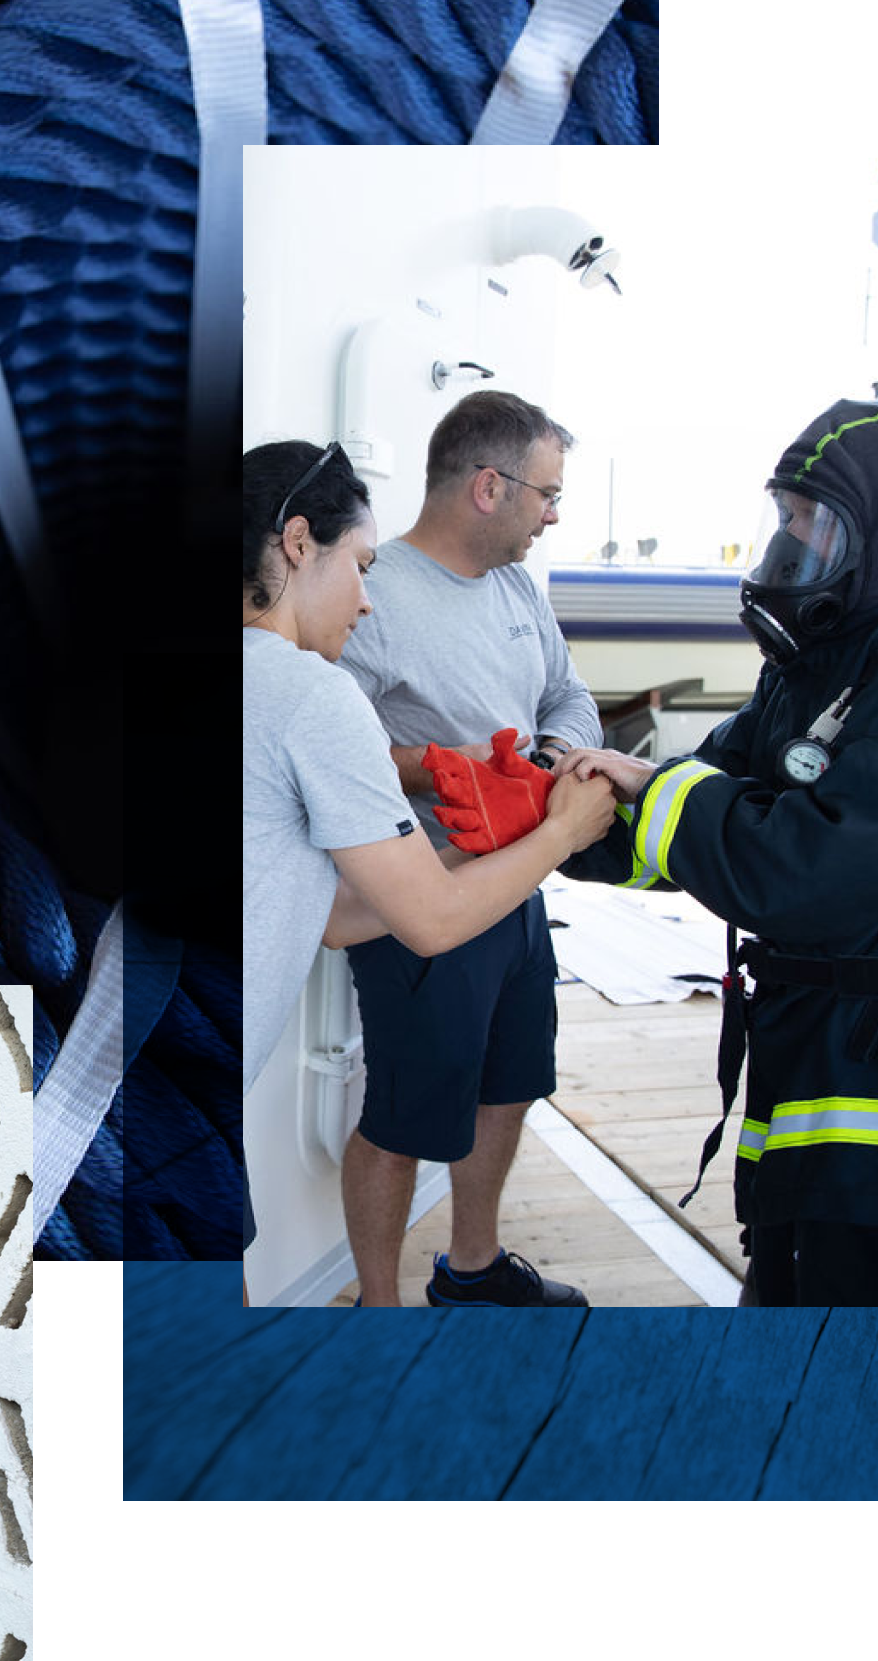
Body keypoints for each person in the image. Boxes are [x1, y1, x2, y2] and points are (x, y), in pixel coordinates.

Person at [242, 438, 615, 1305]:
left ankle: (469, 1271)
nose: (368, 602)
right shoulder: (308, 690)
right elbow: (433, 922)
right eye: (360, 567)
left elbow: (331, 915)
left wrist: (496, 842)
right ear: (299, 544)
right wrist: (562, 832)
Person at [553, 399, 878, 1308]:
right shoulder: (816, 663)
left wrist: (646, 785)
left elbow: (800, 871)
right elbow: (704, 789)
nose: (789, 545)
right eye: (784, 518)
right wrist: (553, 811)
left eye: (811, 524)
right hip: (806, 1064)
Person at [335, 391, 605, 1307]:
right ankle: (378, 1311)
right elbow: (327, 745)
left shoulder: (520, 589)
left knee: (512, 1082)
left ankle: (473, 1270)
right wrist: (438, 768)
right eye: (547, 494)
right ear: (489, 487)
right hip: (425, 896)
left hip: (522, 886)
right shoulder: (376, 595)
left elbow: (569, 698)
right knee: (402, 1118)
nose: (554, 514)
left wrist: (551, 764)